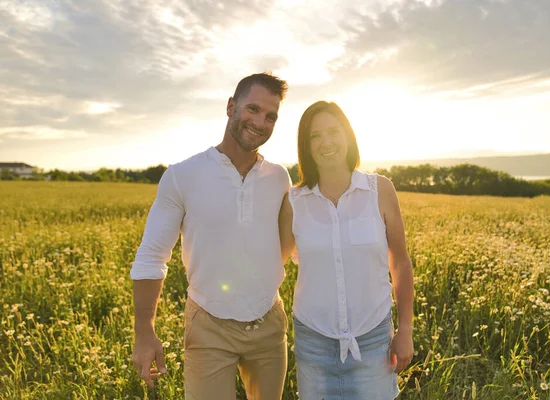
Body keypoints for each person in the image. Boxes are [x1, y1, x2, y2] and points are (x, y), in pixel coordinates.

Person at [131, 72, 291, 400]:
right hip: (208, 325)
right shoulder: (182, 175)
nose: (260, 122)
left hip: (269, 323)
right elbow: (152, 255)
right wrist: (144, 332)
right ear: (231, 106)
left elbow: (285, 246)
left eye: (270, 116)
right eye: (252, 109)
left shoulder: (279, 177)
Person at [278, 101, 415, 399]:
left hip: (373, 341)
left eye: (333, 132)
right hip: (313, 342)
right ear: (306, 146)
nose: (326, 142)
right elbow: (273, 266)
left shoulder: (380, 190)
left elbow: (401, 262)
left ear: (348, 136)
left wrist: (405, 330)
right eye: (315, 136)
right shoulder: (294, 202)